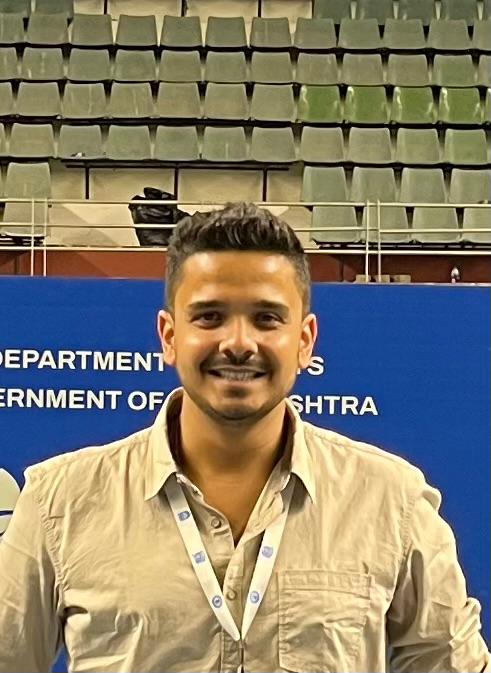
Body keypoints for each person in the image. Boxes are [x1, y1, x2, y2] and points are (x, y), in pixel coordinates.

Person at [0, 202, 489, 673]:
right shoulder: (59, 502)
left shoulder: (391, 501)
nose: (238, 343)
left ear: (304, 341)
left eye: (266, 318)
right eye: (209, 316)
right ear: (169, 336)